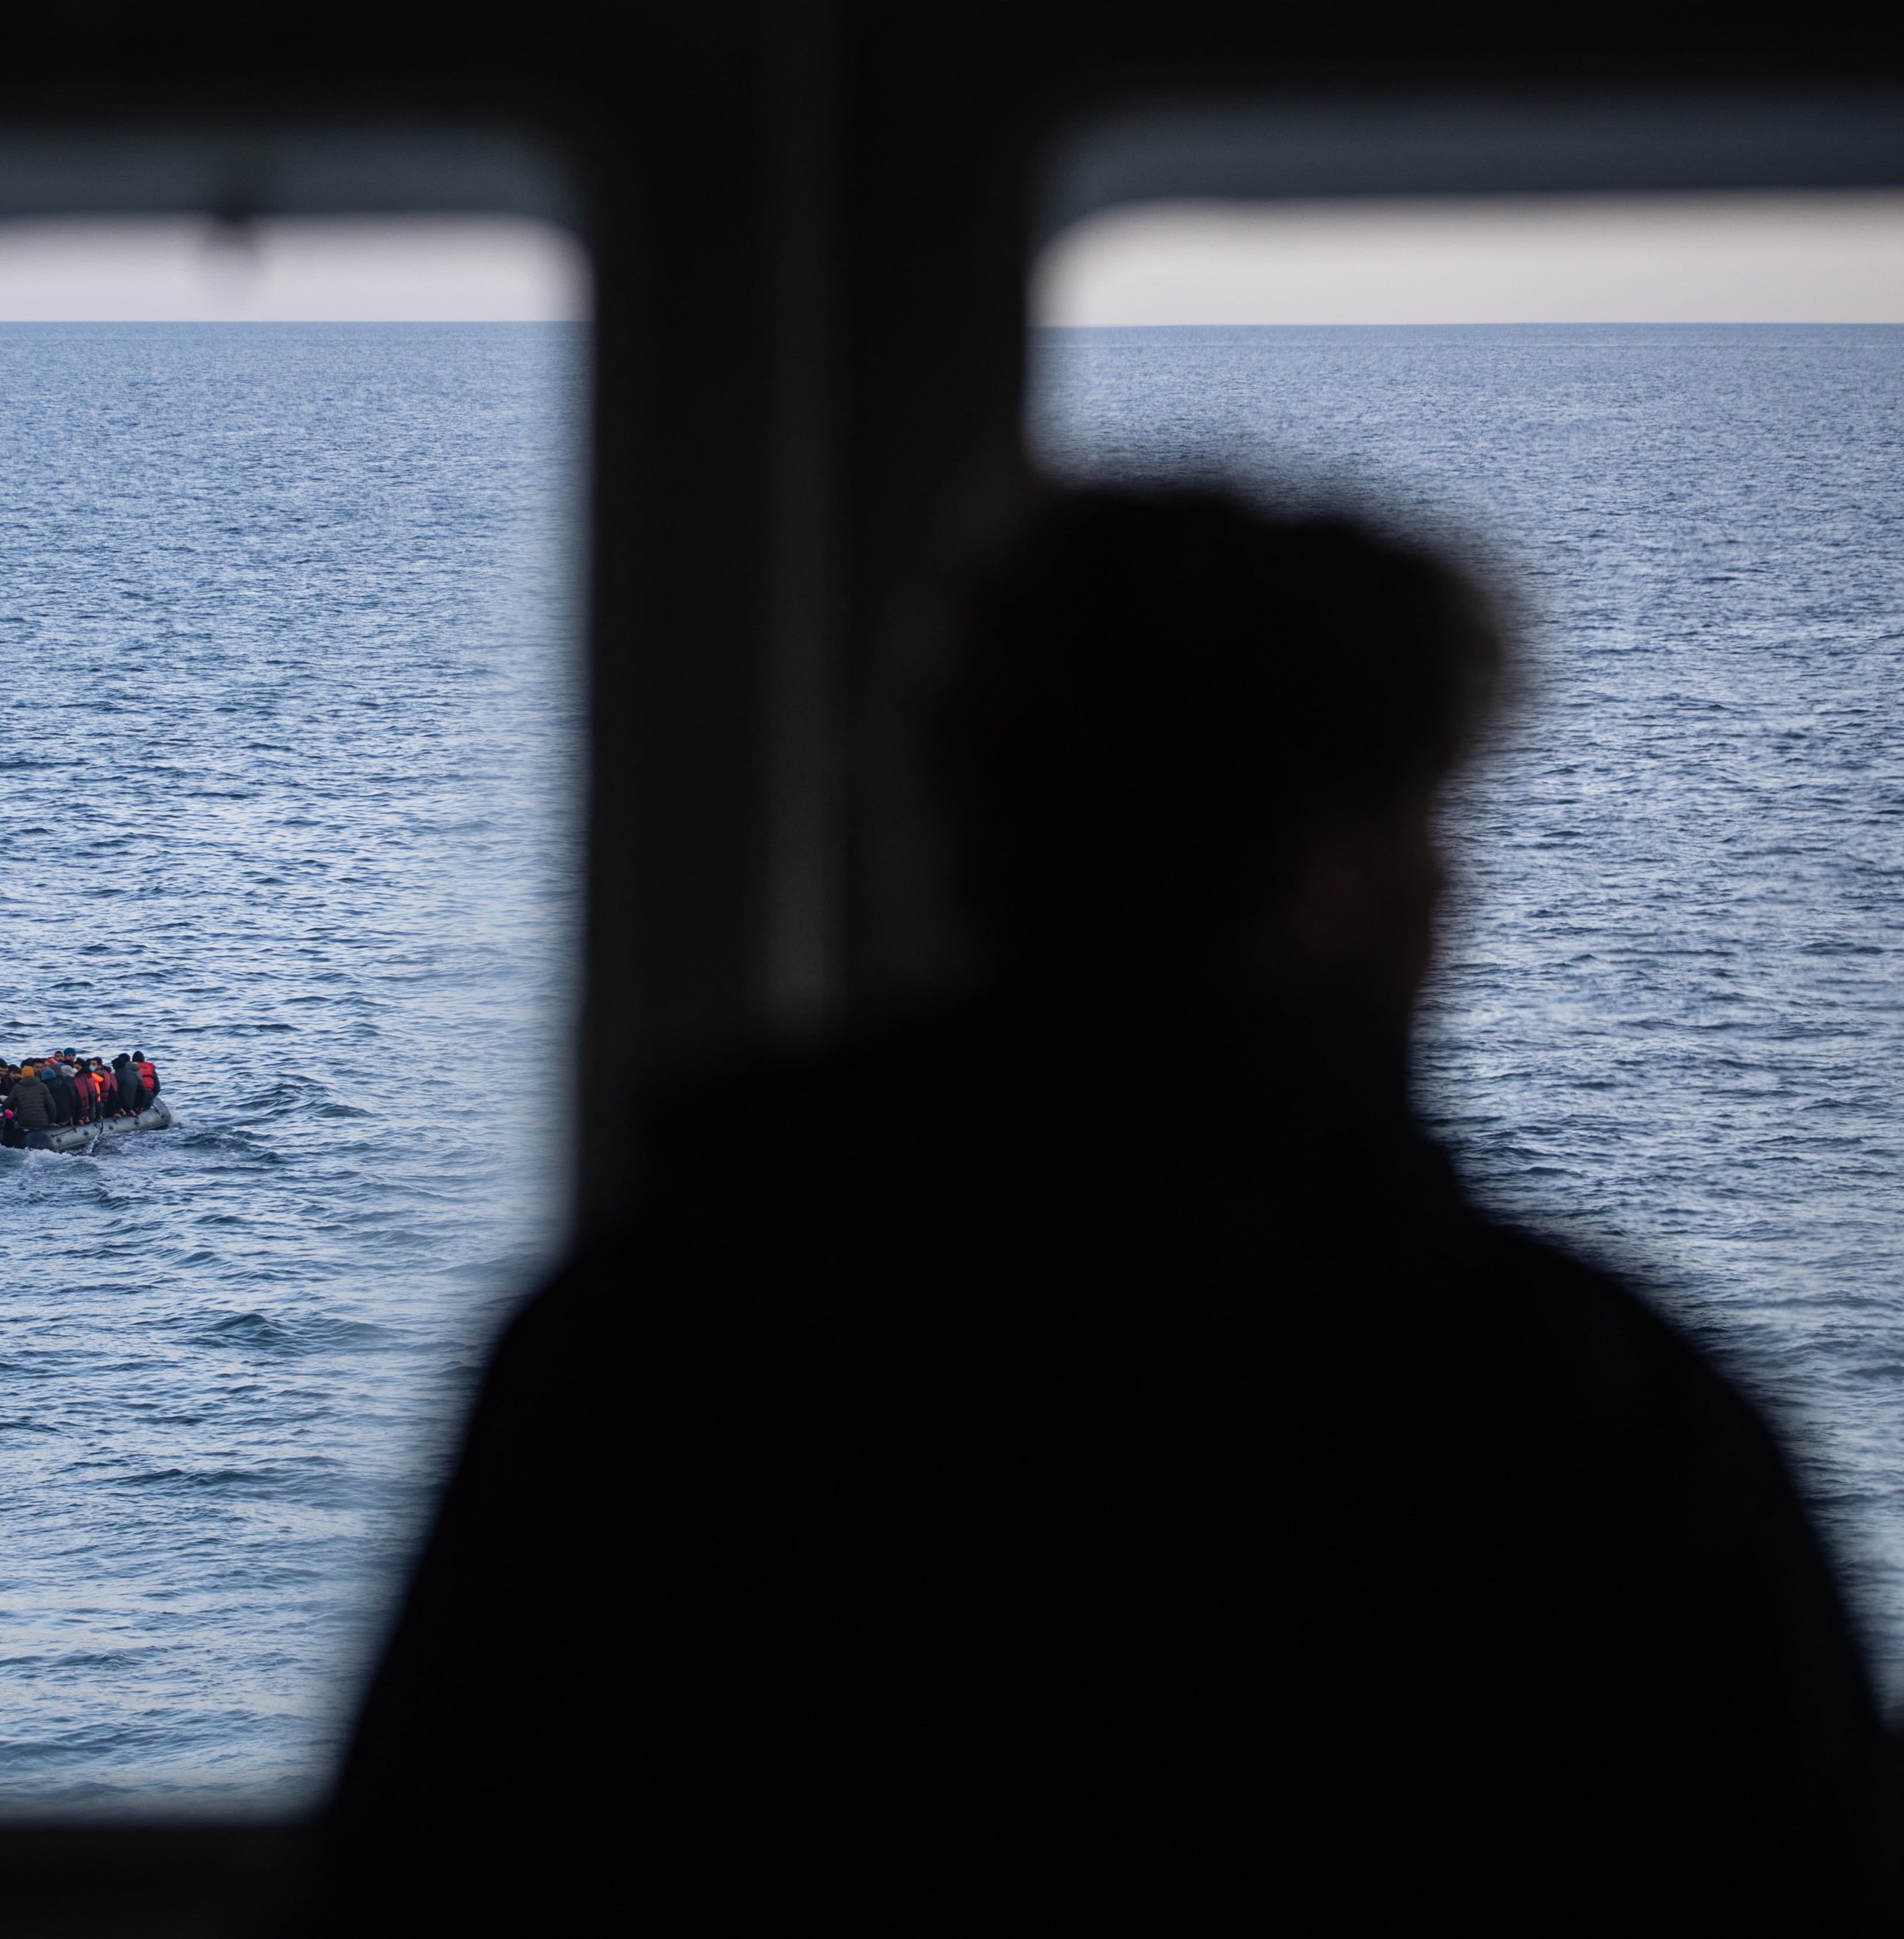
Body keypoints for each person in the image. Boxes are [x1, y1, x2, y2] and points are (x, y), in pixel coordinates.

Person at [284, 484, 1899, 1934]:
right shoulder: (1584, 1416)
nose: (1446, 889)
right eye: (1419, 816)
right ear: (1329, 870)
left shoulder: (641, 1354)